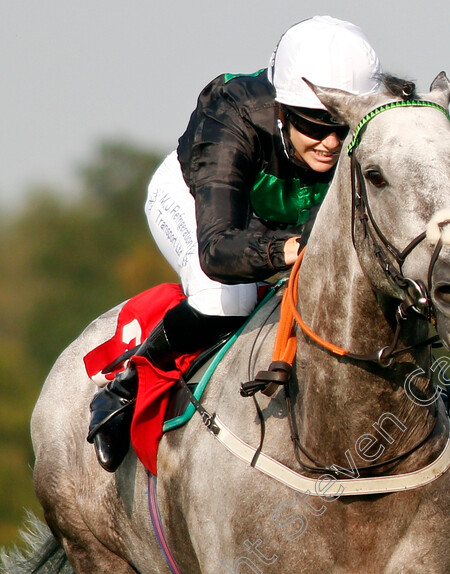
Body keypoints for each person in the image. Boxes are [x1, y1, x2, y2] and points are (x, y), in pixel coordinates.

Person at [87, 16, 383, 472]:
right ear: (283, 109)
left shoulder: (360, 131)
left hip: (284, 220)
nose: (331, 143)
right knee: (227, 300)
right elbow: (219, 248)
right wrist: (288, 250)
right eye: (315, 126)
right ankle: (127, 382)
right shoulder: (230, 115)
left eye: (343, 129)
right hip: (202, 201)